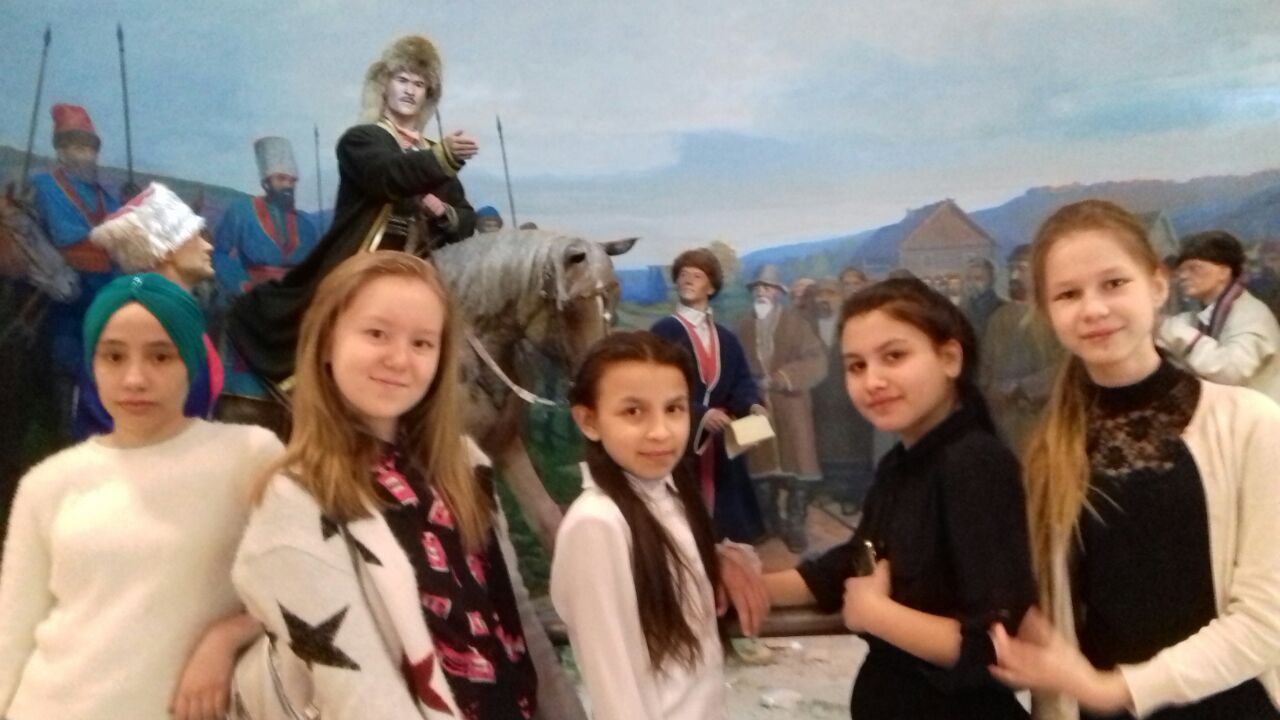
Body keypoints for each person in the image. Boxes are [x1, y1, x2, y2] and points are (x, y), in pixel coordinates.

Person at [988, 200, 1280, 719]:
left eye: (1114, 283)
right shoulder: (1048, 448)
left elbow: (1266, 619)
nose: (1093, 309)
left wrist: (1117, 688)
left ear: (1157, 285)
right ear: (1048, 313)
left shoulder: (1251, 424)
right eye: (1068, 294)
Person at [231, 251, 537, 719]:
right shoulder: (296, 497)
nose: (399, 359)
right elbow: (359, 695)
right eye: (376, 333)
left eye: (422, 342)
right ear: (327, 342)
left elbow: (514, 617)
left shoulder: (464, 464)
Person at [0, 273, 282, 720]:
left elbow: (306, 592)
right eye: (113, 356)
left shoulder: (250, 455)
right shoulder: (48, 482)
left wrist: (227, 636)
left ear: (191, 361)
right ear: (93, 363)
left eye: (161, 356)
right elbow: (12, 637)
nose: (134, 378)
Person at [764, 277, 1035, 719]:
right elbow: (859, 561)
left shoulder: (974, 464)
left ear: (950, 358)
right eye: (856, 366)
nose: (872, 381)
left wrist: (875, 614)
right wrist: (746, 588)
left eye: (894, 356)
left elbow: (999, 645)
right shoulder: (902, 462)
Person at [228, 34, 479, 387]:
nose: (410, 90)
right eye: (402, 80)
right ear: (384, 86)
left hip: (419, 268)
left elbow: (466, 219)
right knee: (330, 322)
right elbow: (388, 176)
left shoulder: (433, 151)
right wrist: (443, 158)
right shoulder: (361, 140)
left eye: (419, 84)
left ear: (428, 95)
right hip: (359, 260)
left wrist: (443, 212)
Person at [551, 330, 758, 720]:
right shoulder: (596, 524)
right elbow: (614, 688)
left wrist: (716, 560)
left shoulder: (673, 494)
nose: (660, 431)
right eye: (634, 412)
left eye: (674, 409)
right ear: (589, 420)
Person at [83, 182, 224, 436]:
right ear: (166, 249)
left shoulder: (176, 316)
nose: (208, 246)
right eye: (196, 236)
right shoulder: (140, 321)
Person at [650, 248, 766, 543]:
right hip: (680, 441)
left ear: (711, 288)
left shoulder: (726, 338)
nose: (688, 280)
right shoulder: (663, 331)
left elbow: (741, 380)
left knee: (727, 529)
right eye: (683, 275)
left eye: (697, 276)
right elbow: (654, 386)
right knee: (682, 523)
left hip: (723, 447)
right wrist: (700, 414)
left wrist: (753, 406)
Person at [29, 103, 121, 440]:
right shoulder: (42, 185)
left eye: (89, 147)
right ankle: (67, 430)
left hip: (109, 285)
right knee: (68, 356)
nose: (85, 155)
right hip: (66, 286)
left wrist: (130, 210)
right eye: (77, 147)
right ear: (61, 151)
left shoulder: (106, 197)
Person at [736, 264, 827, 552]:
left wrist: (782, 378)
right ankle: (769, 522)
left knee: (800, 468)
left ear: (778, 292)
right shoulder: (741, 326)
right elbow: (733, 367)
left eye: (768, 287)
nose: (761, 292)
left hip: (791, 406)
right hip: (754, 405)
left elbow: (816, 360)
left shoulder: (795, 323)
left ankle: (795, 525)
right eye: (757, 287)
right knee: (760, 472)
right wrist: (747, 391)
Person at [1158, 230, 1280, 403]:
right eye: (1181, 270)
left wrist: (1175, 333)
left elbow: (1232, 372)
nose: (1183, 276)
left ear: (1224, 272)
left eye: (1194, 268)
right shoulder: (1199, 316)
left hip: (1263, 415)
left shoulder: (1252, 315)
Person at [980, 244, 1064, 452]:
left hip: (1048, 423)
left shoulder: (1057, 314)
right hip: (1005, 425)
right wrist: (992, 391)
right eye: (1011, 269)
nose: (1014, 276)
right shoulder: (998, 318)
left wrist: (1023, 388)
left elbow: (1067, 366)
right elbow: (985, 368)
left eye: (1022, 269)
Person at [807, 278, 874, 514]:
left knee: (853, 446)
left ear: (840, 297)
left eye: (830, 293)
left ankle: (853, 496)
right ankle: (827, 490)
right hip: (819, 399)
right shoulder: (807, 326)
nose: (824, 299)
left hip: (850, 397)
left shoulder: (854, 324)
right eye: (820, 294)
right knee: (823, 445)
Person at [962, 257, 1004, 339]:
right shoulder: (962, 310)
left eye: (978, 279)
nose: (972, 284)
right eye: (969, 279)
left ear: (991, 280)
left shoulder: (1002, 308)